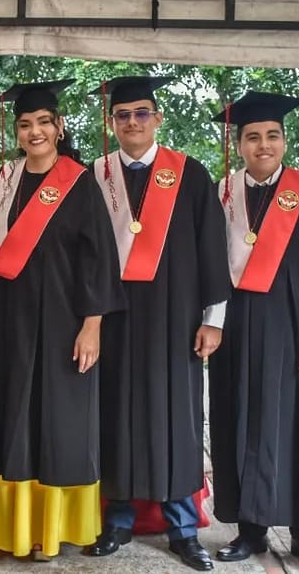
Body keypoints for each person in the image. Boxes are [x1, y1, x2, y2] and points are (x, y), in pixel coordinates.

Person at [0, 80, 125, 561]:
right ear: (17, 132)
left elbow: (99, 259)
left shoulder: (78, 183)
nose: (34, 131)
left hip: (61, 326)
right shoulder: (3, 182)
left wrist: (92, 325)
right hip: (5, 325)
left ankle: (50, 532)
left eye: (42, 123)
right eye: (25, 124)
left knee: (57, 425)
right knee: (9, 421)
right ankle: (9, 529)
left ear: (59, 127)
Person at [86, 76, 230, 571]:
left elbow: (214, 249)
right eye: (123, 115)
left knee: (177, 418)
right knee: (116, 412)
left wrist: (214, 320)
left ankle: (182, 527)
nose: (132, 122)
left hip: (176, 317)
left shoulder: (190, 175)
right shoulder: (95, 176)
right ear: (112, 122)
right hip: (115, 314)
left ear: (157, 118)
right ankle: (119, 519)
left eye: (141, 113)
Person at [208, 92, 299, 572]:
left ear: (284, 141)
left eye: (272, 136)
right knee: (238, 421)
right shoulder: (222, 194)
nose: (263, 145)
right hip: (236, 328)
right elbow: (210, 266)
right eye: (253, 137)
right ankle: (248, 530)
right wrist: (211, 322)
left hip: (295, 327)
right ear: (239, 143)